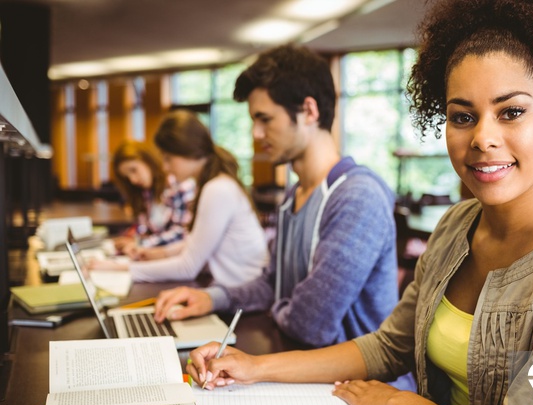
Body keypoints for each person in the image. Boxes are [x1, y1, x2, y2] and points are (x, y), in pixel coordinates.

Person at [185, 0, 533, 405]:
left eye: (511, 112)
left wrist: (397, 402)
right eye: (463, 116)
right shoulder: (454, 228)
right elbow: (388, 347)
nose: (482, 137)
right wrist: (253, 367)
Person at [154, 44, 399, 350]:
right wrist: (211, 298)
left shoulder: (356, 197)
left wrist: (282, 307)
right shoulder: (293, 196)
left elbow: (310, 325)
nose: (256, 134)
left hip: (361, 387)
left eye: (265, 119)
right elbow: (273, 286)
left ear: (309, 111)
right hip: (306, 368)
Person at [93, 110, 268, 289]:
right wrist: (158, 253)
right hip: (232, 290)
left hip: (242, 297)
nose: (166, 167)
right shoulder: (216, 183)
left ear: (188, 151)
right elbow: (197, 242)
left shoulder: (217, 189)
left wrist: (122, 269)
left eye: (168, 158)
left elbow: (187, 268)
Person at [110, 140, 196, 259]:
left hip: (178, 262)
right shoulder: (146, 193)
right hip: (156, 260)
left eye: (134, 170)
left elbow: (182, 234)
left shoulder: (179, 186)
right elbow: (149, 231)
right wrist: (133, 241)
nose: (133, 180)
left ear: (148, 161)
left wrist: (141, 243)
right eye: (127, 177)